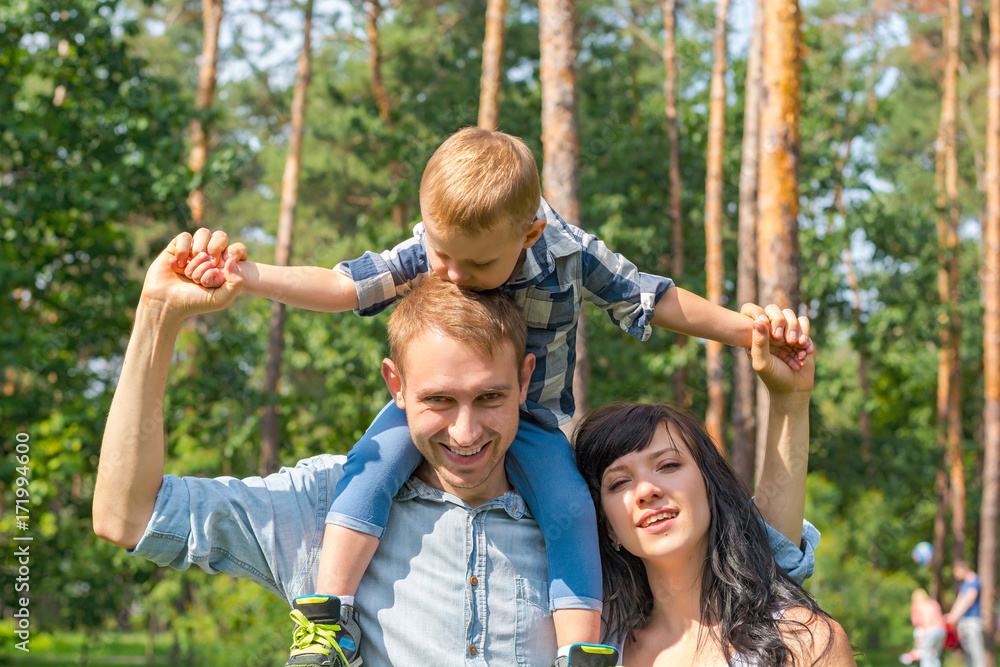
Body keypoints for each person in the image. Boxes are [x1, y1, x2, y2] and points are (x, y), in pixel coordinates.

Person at [170, 126, 812, 666]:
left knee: (568, 509)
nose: (452, 275)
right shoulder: (434, 246)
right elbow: (344, 286)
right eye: (442, 254)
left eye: (476, 266)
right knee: (366, 472)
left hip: (528, 419)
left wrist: (748, 330)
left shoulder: (566, 252)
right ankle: (326, 620)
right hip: (435, 403)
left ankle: (581, 653)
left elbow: (653, 298)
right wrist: (247, 277)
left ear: (528, 235)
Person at [574, 315, 856, 666]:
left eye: (668, 465)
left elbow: (776, 550)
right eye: (619, 482)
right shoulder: (595, 652)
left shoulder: (801, 643)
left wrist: (790, 399)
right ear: (608, 525)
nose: (646, 490)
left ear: (711, 487)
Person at [945, 560, 987, 667]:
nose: (956, 576)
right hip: (964, 621)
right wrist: (951, 615)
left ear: (963, 569)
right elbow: (959, 600)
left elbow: (969, 599)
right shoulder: (964, 584)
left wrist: (955, 616)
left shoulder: (975, 580)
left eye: (957, 572)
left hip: (973, 621)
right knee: (968, 654)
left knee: (976, 653)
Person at [908, 588, 947, 667]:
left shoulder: (916, 605)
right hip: (941, 631)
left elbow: (916, 622)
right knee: (935, 655)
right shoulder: (933, 603)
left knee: (926, 656)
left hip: (930, 630)